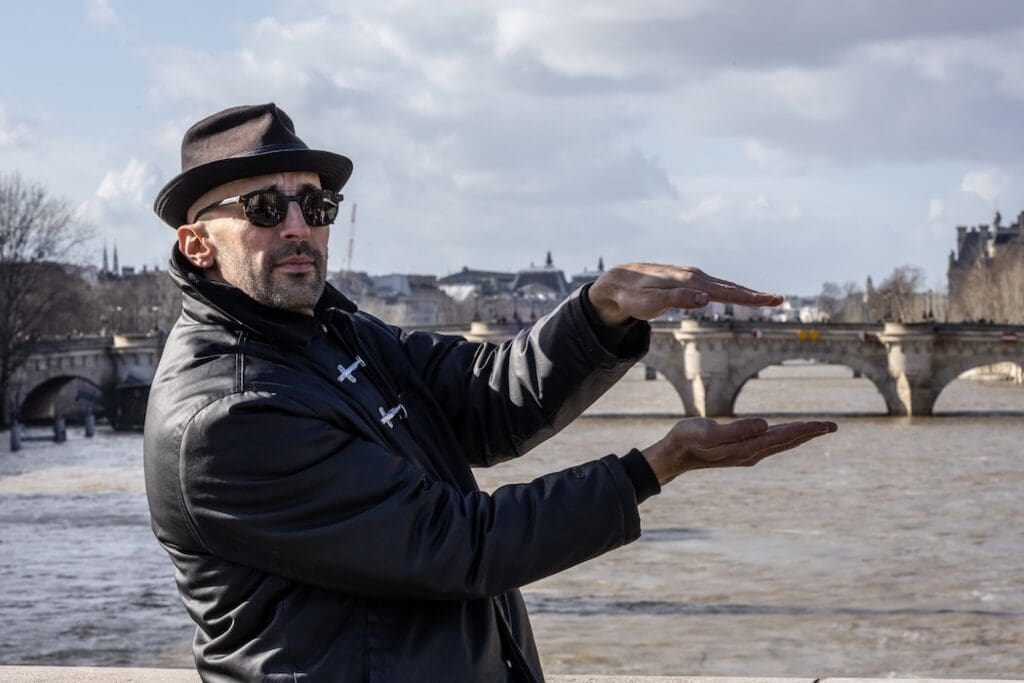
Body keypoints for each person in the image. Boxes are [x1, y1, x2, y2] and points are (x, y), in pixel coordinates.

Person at [144, 103, 836, 683]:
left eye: (316, 203)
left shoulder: (331, 327)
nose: (299, 225)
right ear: (197, 244)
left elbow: (484, 401)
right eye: (266, 206)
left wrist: (599, 310)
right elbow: (458, 543)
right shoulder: (225, 417)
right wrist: (657, 465)